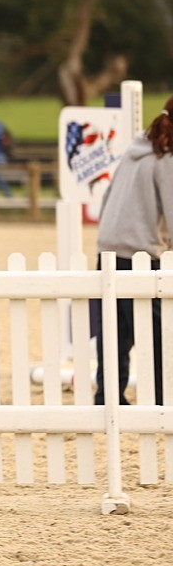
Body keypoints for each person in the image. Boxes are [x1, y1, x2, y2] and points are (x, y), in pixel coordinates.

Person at [93, 96, 173, 406]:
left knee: (114, 329)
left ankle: (109, 395)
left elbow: (109, 195)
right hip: (140, 252)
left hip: (109, 245)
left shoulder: (134, 148)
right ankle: (161, 397)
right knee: (154, 330)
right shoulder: (166, 157)